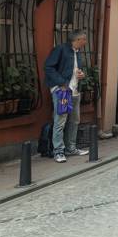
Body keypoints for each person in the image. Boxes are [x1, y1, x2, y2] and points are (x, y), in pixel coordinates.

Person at [43, 30, 90, 163]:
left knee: (74, 120)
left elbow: (74, 70)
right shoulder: (61, 49)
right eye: (84, 40)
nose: (85, 42)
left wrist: (82, 74)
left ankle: (71, 148)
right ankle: (58, 151)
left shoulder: (77, 52)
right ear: (78, 40)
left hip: (74, 91)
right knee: (60, 121)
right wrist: (61, 83)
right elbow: (48, 67)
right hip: (62, 91)